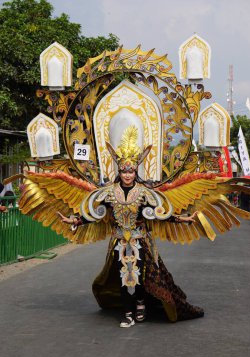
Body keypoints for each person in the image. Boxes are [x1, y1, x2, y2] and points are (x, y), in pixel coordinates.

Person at [58, 127, 204, 327]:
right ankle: (127, 312)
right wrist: (76, 221)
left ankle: (141, 304)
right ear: (119, 171)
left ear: (136, 171)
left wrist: (182, 219)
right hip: (119, 242)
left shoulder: (145, 193)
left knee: (140, 277)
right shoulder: (109, 192)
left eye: (131, 171)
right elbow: (96, 213)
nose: (128, 175)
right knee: (123, 278)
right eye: (124, 171)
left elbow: (161, 214)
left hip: (141, 241)